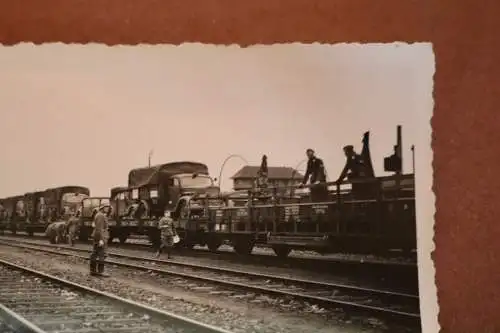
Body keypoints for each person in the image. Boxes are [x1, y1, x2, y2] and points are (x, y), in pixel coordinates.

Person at [89, 205, 110, 277]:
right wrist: (101, 239)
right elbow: (99, 228)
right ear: (102, 208)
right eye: (106, 207)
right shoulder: (100, 216)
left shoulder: (99, 215)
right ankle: (101, 271)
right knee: (102, 253)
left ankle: (93, 270)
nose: (108, 208)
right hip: (100, 237)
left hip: (98, 236)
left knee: (95, 253)